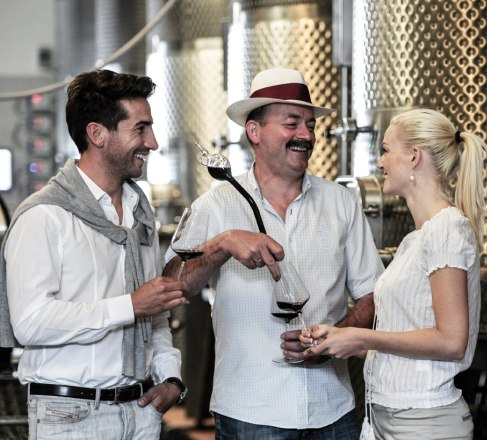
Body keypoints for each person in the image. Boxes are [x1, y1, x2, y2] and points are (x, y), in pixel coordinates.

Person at [162, 67, 384, 438]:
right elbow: (170, 287)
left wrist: (333, 339)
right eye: (292, 123)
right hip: (251, 411)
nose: (305, 135)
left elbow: (374, 295)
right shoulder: (215, 206)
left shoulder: (340, 203)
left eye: (310, 125)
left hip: (334, 410)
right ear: (255, 132)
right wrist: (220, 246)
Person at [0, 69, 189, 439]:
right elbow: (31, 321)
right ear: (97, 133)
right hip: (70, 415)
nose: (152, 142)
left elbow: (156, 315)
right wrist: (130, 305)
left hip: (140, 412)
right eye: (140, 128)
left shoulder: (139, 213)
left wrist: (171, 378)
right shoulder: (45, 216)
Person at [302, 108, 487, 439]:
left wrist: (362, 336)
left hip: (423, 423)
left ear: (414, 156)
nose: (380, 163)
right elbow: (404, 341)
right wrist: (336, 339)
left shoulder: (447, 229)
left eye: (386, 150)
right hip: (385, 418)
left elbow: (451, 341)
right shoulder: (414, 240)